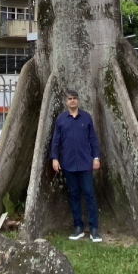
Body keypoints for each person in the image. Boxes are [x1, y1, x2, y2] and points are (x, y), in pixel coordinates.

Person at [51, 89, 102, 242]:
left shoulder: (86, 117)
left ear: (78, 101)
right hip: (68, 164)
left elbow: (93, 139)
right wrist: (55, 158)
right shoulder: (61, 119)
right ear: (66, 102)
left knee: (89, 194)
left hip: (85, 163)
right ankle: (78, 227)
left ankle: (94, 229)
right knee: (74, 195)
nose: (72, 101)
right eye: (69, 99)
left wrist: (96, 157)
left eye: (74, 98)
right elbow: (55, 141)